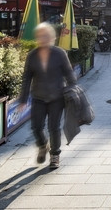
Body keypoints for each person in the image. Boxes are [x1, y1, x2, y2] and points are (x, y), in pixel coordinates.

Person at [18, 23, 77, 168]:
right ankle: (43, 145)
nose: (42, 38)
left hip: (57, 97)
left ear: (51, 37)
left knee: (54, 127)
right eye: (39, 36)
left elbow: (69, 74)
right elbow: (27, 78)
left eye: (45, 35)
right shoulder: (32, 55)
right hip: (38, 96)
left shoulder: (59, 53)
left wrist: (72, 89)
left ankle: (55, 155)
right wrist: (23, 100)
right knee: (36, 127)